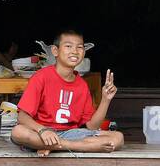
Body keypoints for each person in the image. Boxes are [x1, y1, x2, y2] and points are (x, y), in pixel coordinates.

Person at [11, 28, 123, 156]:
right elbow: (22, 117)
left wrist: (105, 99)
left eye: (79, 47)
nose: (74, 51)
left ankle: (55, 146)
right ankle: (77, 147)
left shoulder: (82, 85)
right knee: (18, 132)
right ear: (55, 51)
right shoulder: (41, 77)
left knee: (118, 138)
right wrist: (43, 131)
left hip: (70, 133)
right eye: (68, 46)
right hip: (40, 132)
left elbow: (92, 126)